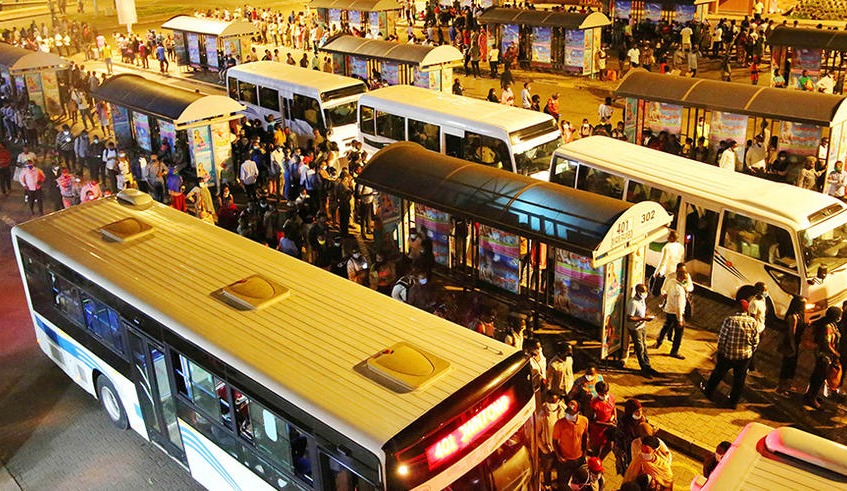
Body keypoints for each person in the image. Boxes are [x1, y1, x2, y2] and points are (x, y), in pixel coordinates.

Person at [700, 299, 759, 409]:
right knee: (739, 380)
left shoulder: (730, 320)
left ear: (737, 308)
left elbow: (722, 339)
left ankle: (708, 392)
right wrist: (750, 351)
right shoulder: (753, 322)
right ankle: (733, 402)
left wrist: (720, 351)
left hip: (728, 354)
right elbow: (755, 341)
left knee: (718, 374)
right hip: (744, 357)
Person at [804, 306, 841, 409]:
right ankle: (811, 398)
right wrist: (835, 353)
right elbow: (826, 343)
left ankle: (810, 395)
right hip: (824, 356)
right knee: (819, 377)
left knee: (819, 376)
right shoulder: (827, 327)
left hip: (826, 356)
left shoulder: (831, 325)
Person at [552, 399, 589, 489]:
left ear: (578, 413)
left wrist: (585, 452)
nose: (568, 415)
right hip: (565, 460)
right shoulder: (559, 424)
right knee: (563, 482)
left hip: (578, 458)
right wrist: (559, 456)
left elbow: (585, 436)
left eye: (572, 413)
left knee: (577, 482)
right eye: (568, 412)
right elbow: (554, 441)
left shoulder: (584, 421)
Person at [655, 266, 689, 359]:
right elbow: (679, 306)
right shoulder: (680, 290)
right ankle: (674, 351)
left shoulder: (671, 282)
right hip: (675, 313)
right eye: (685, 280)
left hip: (668, 309)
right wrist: (680, 320)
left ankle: (659, 340)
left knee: (666, 325)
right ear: (681, 279)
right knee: (678, 333)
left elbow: (666, 291)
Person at [777, 295, 808, 395]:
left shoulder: (799, 315)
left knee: (791, 366)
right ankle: (781, 387)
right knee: (787, 365)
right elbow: (791, 334)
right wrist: (793, 346)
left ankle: (787, 385)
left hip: (796, 342)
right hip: (791, 343)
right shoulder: (793, 317)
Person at [537, 391, 567, 489]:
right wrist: (543, 449)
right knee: (547, 468)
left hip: (560, 447)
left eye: (553, 402)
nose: (551, 405)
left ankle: (559, 483)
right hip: (548, 448)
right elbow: (537, 435)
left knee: (560, 467)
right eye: (549, 402)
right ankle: (548, 484)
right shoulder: (541, 416)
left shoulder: (564, 411)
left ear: (558, 401)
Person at [628, 284, 657, 377]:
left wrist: (646, 316)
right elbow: (629, 318)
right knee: (639, 348)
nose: (645, 294)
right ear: (637, 292)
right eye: (643, 292)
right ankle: (643, 368)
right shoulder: (632, 303)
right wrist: (643, 319)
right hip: (635, 328)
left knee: (644, 346)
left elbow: (642, 312)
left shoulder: (642, 300)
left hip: (642, 326)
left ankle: (648, 366)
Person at [614, 400, 650, 476]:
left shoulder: (643, 419)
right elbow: (618, 441)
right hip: (628, 453)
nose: (639, 413)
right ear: (630, 412)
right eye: (637, 411)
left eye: (640, 411)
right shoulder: (623, 424)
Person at [588, 381, 616, 459]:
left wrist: (614, 418)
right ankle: (593, 464)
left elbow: (614, 408)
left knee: (610, 446)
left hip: (609, 427)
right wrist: (607, 424)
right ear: (598, 392)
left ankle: (600, 460)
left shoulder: (611, 397)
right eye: (602, 394)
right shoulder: (594, 404)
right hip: (598, 430)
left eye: (606, 393)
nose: (604, 395)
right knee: (596, 449)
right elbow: (592, 420)